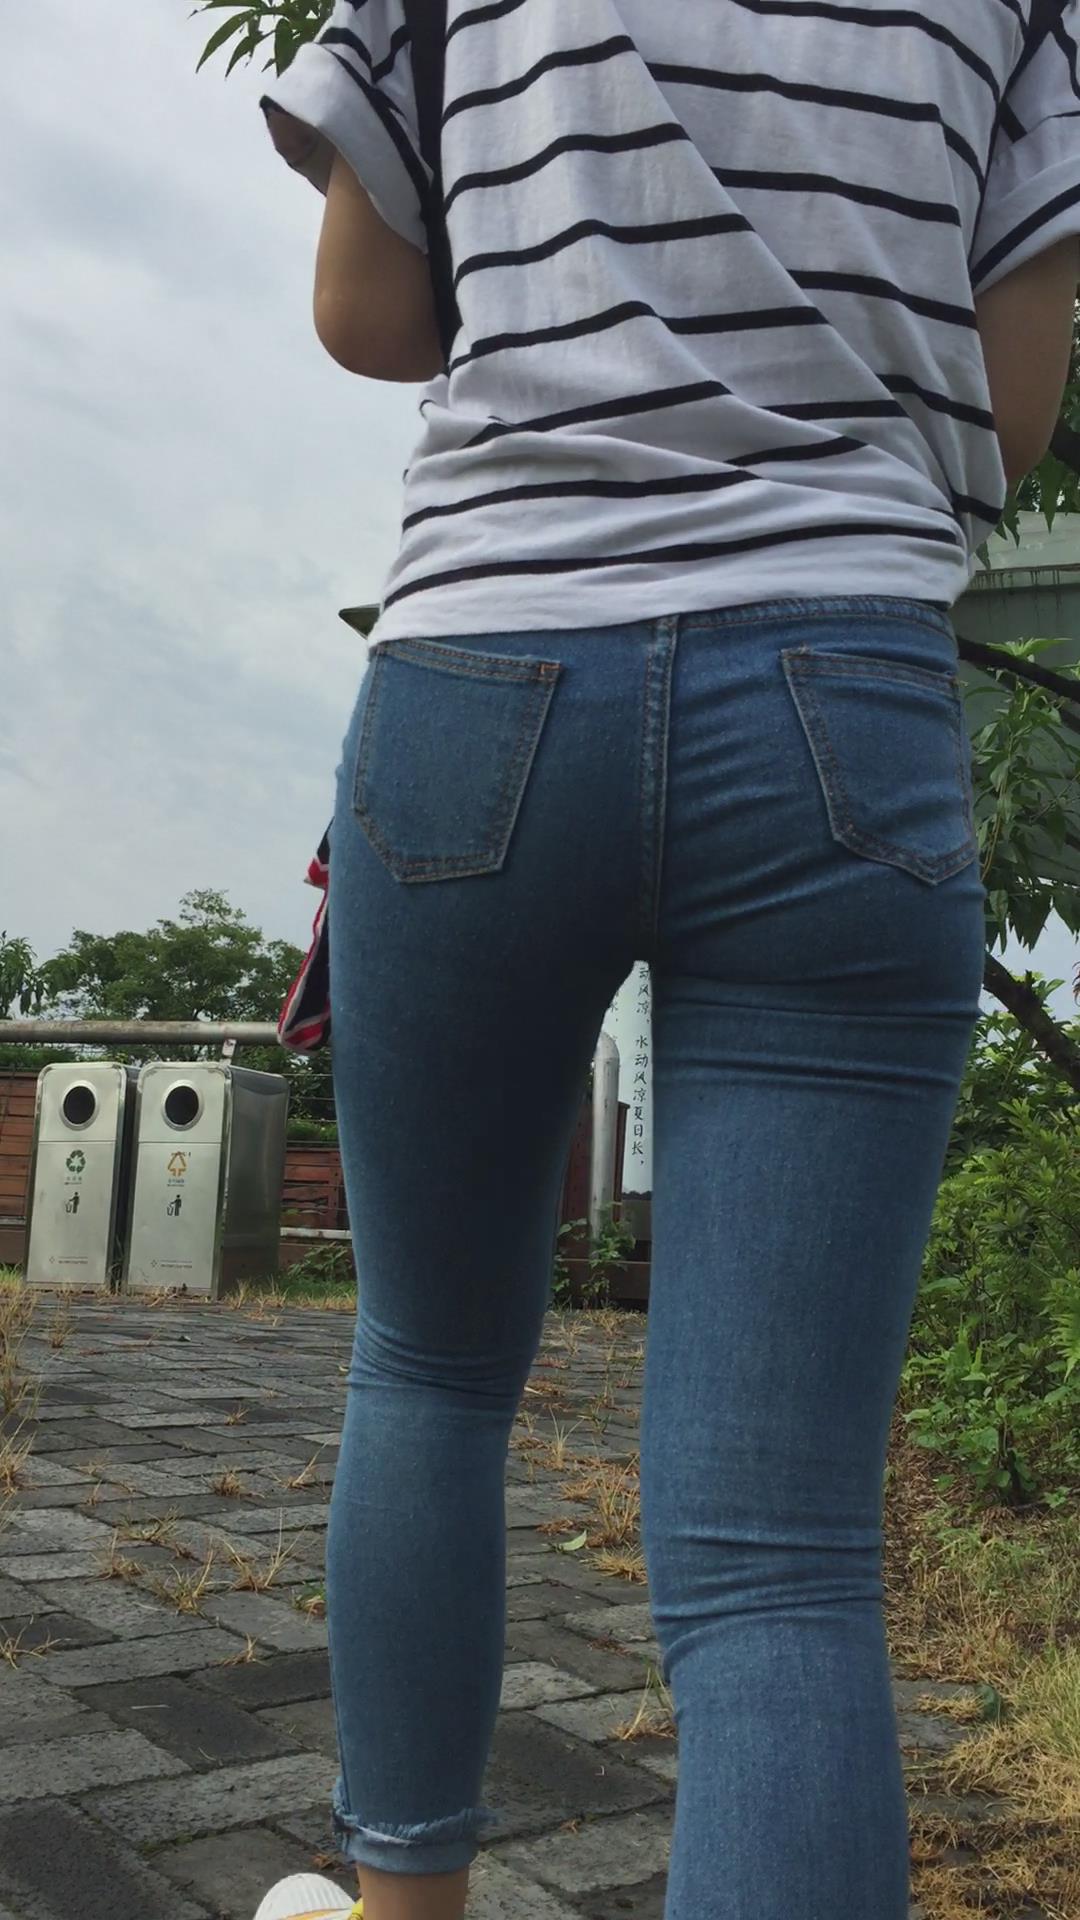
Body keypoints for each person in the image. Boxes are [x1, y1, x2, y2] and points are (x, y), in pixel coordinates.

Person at [251, 6, 1080, 1919]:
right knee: (780, 1545)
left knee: (429, 1369)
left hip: (486, 672)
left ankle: (401, 1904)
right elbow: (1016, 408)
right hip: (840, 685)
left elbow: (365, 313)